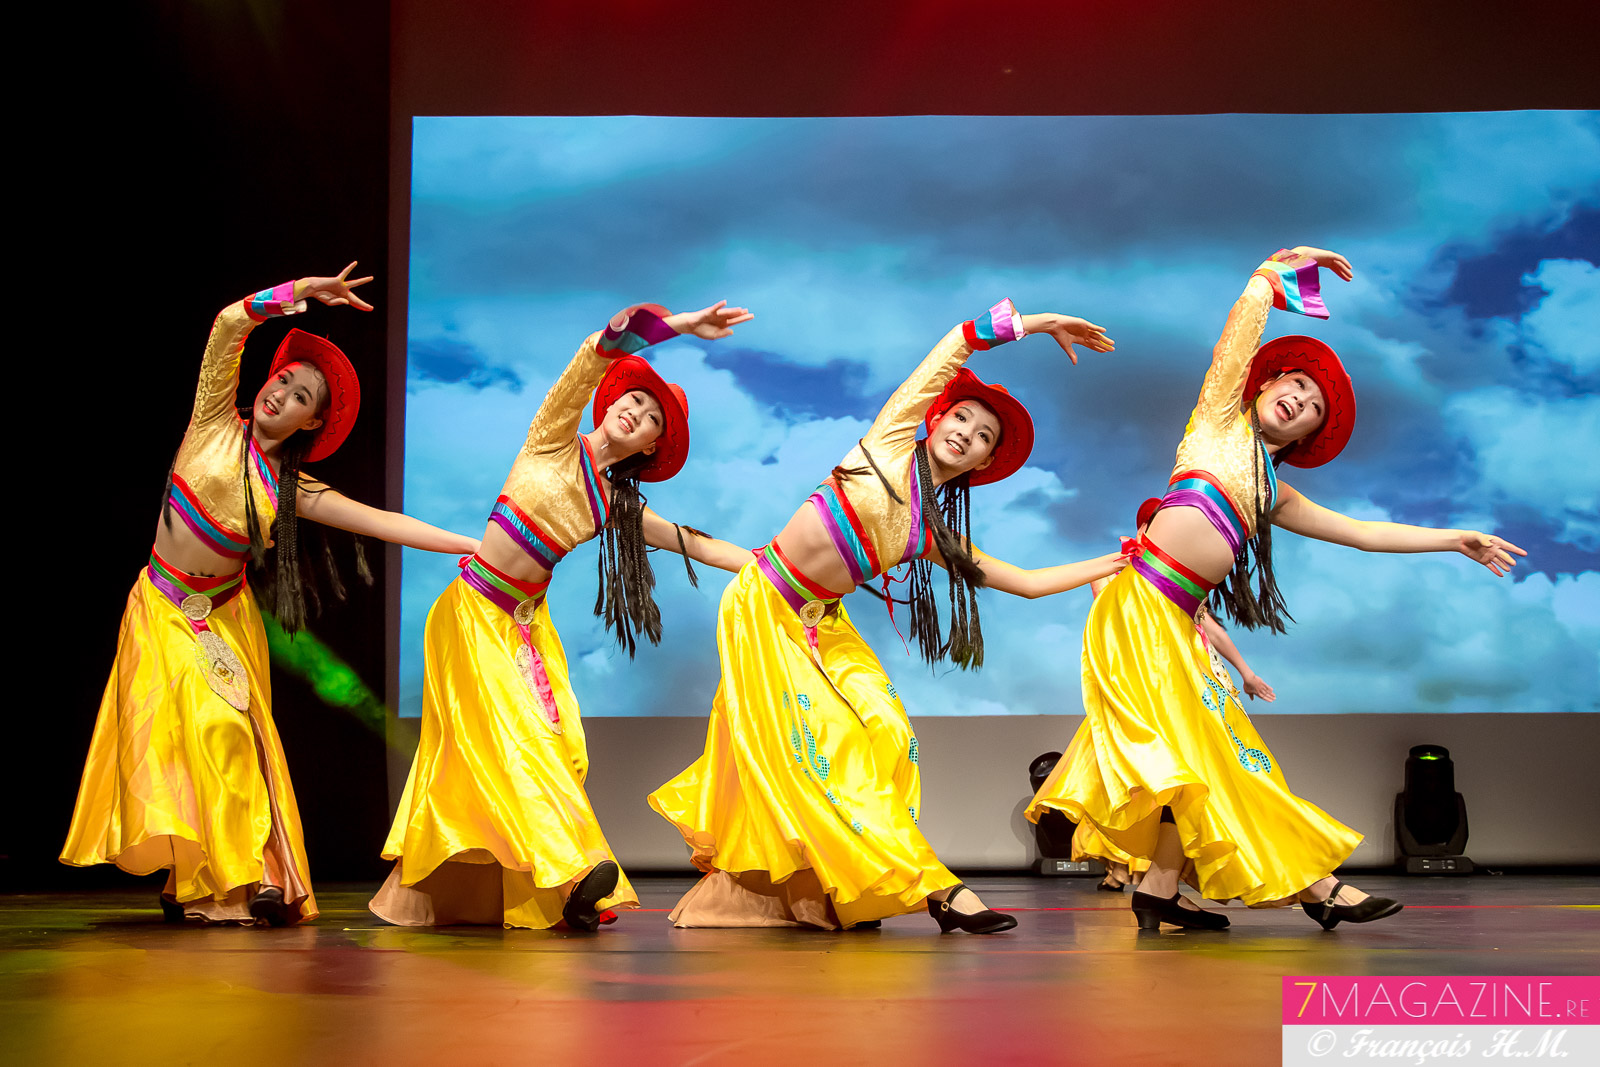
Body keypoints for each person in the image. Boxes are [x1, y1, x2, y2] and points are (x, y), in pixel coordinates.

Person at [1028, 247, 1525, 932]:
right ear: (1263, 386)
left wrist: (1452, 537)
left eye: (1314, 406)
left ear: (1310, 433)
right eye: (1294, 383)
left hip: (1176, 626)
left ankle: (1161, 889)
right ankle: (1317, 887)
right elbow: (1239, 335)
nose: (1299, 397)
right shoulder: (1215, 424)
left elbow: (1361, 532)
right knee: (1214, 753)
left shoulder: (1274, 493)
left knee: (1216, 755)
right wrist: (1270, 273)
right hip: (1138, 610)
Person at [650, 299, 1126, 933]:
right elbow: (956, 344)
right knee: (834, 745)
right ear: (935, 419)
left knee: (890, 732)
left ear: (983, 465)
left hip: (825, 622)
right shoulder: (885, 444)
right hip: (765, 608)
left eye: (984, 437)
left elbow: (1028, 584)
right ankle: (937, 892)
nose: (968, 434)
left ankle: (853, 880)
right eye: (963, 418)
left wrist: (1118, 561)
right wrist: (1038, 325)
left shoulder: (933, 530)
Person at [62, 265, 482, 926]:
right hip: (161, 605)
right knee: (178, 742)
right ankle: (204, 874)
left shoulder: (290, 489)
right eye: (283, 379)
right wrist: (295, 296)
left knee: (226, 734)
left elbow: (381, 521)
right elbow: (230, 327)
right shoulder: (211, 423)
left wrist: (470, 543)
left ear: (312, 422)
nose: (281, 392)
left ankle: (248, 876)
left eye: (301, 395)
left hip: (221, 617)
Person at [371, 301, 755, 931]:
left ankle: (506, 890)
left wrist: (777, 568)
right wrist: (680, 327)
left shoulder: (615, 501)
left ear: (652, 444)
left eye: (651, 418)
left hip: (525, 623)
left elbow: (696, 543)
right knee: (517, 739)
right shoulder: (551, 439)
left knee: (555, 746)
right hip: (471, 611)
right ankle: (575, 875)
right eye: (635, 400)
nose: (636, 413)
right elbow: (587, 361)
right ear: (612, 404)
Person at [1082, 498, 1275, 892]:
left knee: (1198, 774)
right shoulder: (1119, 569)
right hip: (1143, 682)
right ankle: (1133, 873)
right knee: (1141, 780)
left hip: (1195, 675)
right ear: (1148, 527)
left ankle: (1161, 882)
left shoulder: (1184, 573)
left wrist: (1247, 672)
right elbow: (1113, 620)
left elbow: (1210, 627)